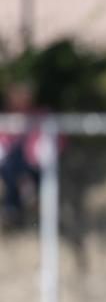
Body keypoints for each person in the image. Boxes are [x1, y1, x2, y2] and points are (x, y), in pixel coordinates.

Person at [0, 83, 42, 229]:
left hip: (32, 166)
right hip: (9, 169)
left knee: (16, 161)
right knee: (12, 162)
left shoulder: (38, 114)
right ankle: (23, 194)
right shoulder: (4, 117)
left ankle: (11, 207)